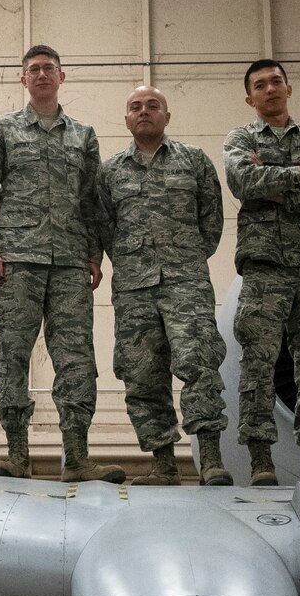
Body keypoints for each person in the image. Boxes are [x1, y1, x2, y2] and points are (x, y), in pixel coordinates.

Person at [0, 46, 123, 482]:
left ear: (62, 76)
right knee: (13, 357)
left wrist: (95, 255)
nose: (41, 75)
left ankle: (77, 457)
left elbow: (91, 202)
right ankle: (17, 455)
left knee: (76, 359)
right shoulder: (1, 130)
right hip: (16, 262)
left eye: (48, 69)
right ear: (23, 80)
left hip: (70, 264)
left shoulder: (83, 135)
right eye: (33, 70)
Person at [94, 85, 231, 486]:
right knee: (142, 374)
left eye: (153, 106)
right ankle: (164, 464)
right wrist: (133, 263)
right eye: (135, 107)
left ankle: (211, 461)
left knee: (199, 365)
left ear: (167, 116)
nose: (144, 112)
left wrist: (184, 259)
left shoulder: (194, 161)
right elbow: (105, 228)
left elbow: (212, 221)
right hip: (134, 289)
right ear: (126, 119)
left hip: (186, 284)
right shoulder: (110, 171)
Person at [223, 59, 300, 487]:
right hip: (264, 269)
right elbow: (242, 181)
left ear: (289, 89)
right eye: (260, 85)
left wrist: (272, 182)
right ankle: (260, 461)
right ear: (249, 98)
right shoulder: (240, 138)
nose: (270, 89)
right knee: (258, 366)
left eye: (276, 82)